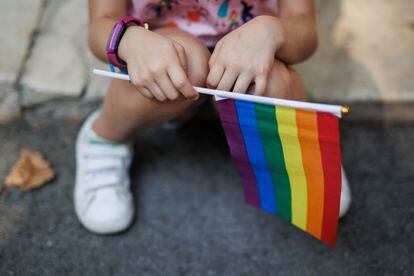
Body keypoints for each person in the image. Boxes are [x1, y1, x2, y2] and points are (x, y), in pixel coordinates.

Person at [75, 0, 351, 234]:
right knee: (184, 66)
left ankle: (295, 145)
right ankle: (105, 137)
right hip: (165, 49)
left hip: (254, 53)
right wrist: (129, 40)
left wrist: (273, 31)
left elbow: (303, 28)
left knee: (268, 85)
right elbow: (101, 23)